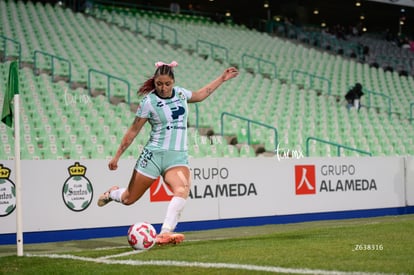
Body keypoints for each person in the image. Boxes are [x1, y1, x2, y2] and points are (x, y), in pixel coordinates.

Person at [97, 61, 239, 245]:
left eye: (167, 84)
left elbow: (200, 95)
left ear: (173, 82)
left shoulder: (180, 93)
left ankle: (165, 232)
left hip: (177, 157)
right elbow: (133, 131)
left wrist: (222, 78)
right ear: (154, 83)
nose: (163, 88)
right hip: (153, 156)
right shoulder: (148, 102)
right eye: (159, 84)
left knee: (182, 189)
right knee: (128, 199)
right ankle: (113, 193)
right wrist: (117, 156)